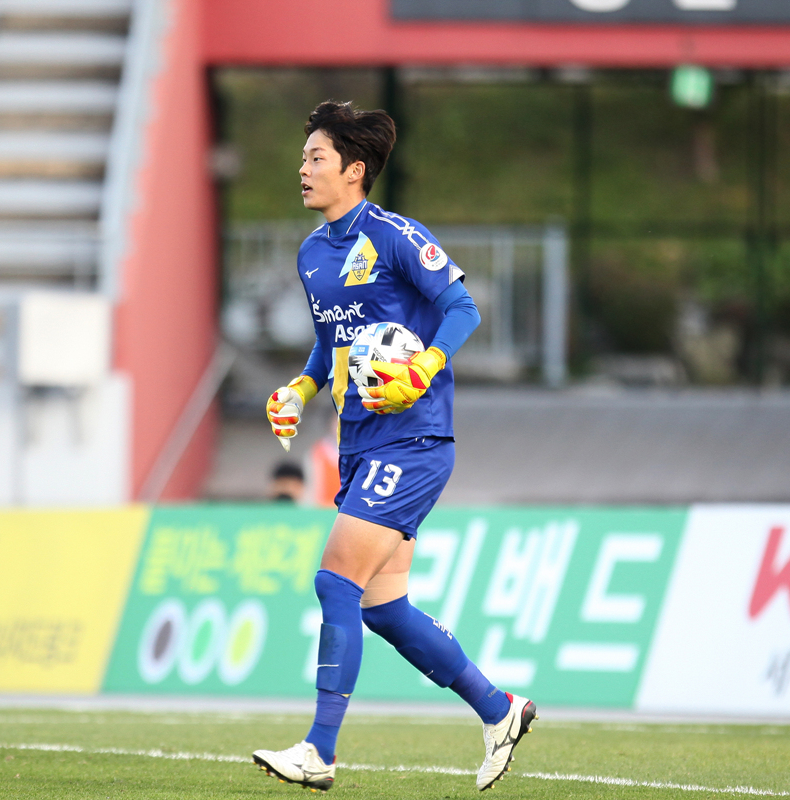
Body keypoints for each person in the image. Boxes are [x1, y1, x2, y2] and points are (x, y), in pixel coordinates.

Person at [254, 100, 537, 793]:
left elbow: (462, 308)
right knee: (382, 608)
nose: (303, 169)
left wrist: (424, 367)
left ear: (354, 170)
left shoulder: (394, 236)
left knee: (334, 581)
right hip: (360, 443)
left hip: (413, 439)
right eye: (303, 158)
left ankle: (320, 750)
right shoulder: (312, 254)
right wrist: (299, 390)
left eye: (316, 158)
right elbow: (331, 342)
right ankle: (499, 710)